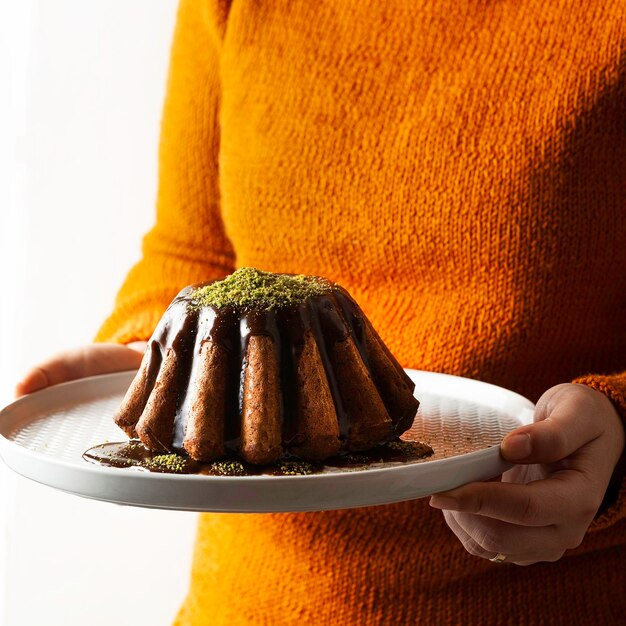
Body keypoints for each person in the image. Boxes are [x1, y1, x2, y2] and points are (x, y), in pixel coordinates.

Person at [16, 1, 626, 623]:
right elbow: (193, 250)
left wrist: (618, 425)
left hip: (542, 598)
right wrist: (160, 362)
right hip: (247, 602)